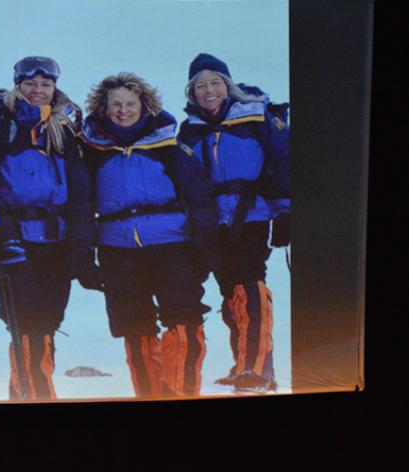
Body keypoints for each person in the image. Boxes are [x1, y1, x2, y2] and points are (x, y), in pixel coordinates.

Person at [78, 72, 217, 397]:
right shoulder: (91, 150)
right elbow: (80, 206)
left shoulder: (167, 143)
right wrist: (82, 258)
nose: (123, 110)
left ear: (144, 105)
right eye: (116, 104)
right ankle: (151, 395)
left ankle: (181, 391)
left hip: (172, 244)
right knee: (133, 325)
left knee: (184, 318)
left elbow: (200, 196)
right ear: (104, 107)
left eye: (130, 103)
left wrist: (204, 248)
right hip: (117, 249)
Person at [0, 56, 93, 400]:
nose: (38, 91)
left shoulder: (65, 129)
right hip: (13, 241)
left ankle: (24, 394)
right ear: (17, 85)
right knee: (26, 321)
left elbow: (80, 192)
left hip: (57, 240)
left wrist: (81, 245)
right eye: (30, 84)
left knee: (48, 321)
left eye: (46, 85)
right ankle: (39, 395)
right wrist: (2, 237)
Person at [177, 53, 290, 391]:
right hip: (213, 220)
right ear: (191, 92)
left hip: (251, 212)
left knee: (250, 283)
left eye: (215, 82)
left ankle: (255, 369)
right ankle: (248, 365)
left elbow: (284, 160)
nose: (208, 90)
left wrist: (284, 210)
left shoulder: (258, 115)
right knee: (229, 291)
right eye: (200, 85)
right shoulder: (190, 129)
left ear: (228, 85)